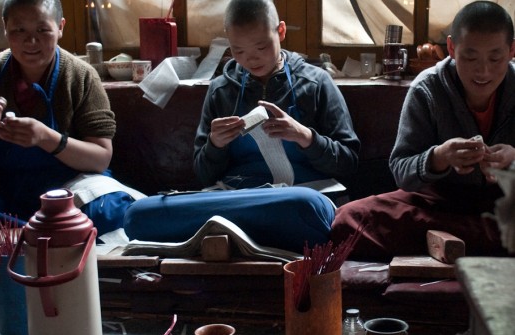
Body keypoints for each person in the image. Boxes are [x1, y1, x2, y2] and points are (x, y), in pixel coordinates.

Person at [123, 0, 359, 253]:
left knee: (304, 206)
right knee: (138, 214)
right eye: (238, 51)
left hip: (297, 197)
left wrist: (305, 137)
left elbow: (348, 163)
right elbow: (204, 176)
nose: (251, 59)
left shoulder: (315, 83)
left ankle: (225, 227)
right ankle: (240, 226)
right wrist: (216, 144)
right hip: (237, 198)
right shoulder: (221, 90)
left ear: (280, 32)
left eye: (261, 46)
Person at [0, 0, 141, 237]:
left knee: (112, 211)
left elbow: (101, 158)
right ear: (5, 27)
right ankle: (43, 232)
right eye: (19, 30)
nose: (30, 42)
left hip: (68, 189)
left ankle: (17, 229)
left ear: (60, 27)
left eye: (42, 30)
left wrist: (47, 137)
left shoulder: (82, 76)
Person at [330, 1, 515, 262]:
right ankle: (484, 241)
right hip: (441, 204)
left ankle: (456, 241)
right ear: (451, 48)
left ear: (512, 51)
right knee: (350, 220)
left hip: (505, 203)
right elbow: (401, 172)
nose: (483, 71)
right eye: (470, 57)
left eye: (495, 58)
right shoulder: (427, 89)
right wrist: (439, 157)